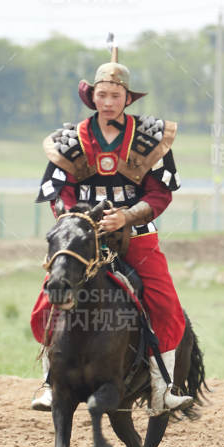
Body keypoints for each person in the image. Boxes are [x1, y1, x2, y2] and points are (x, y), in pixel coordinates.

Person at [28, 54, 193, 417]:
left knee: (166, 304)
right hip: (81, 235)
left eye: (115, 96)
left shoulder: (151, 138)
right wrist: (79, 221)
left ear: (126, 99)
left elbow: (159, 194)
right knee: (46, 301)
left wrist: (127, 216)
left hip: (136, 236)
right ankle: (49, 383)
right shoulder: (70, 140)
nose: (107, 102)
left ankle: (161, 387)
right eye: (101, 95)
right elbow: (60, 190)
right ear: (93, 98)